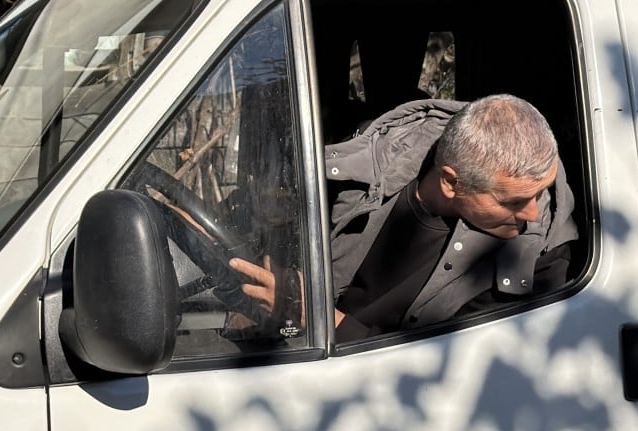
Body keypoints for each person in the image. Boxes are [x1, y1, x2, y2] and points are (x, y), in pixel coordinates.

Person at [230, 94, 578, 341]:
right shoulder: (356, 177)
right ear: (451, 183)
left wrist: (318, 315)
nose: (533, 213)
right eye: (515, 201)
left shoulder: (540, 255)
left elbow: (448, 380)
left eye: (541, 191)